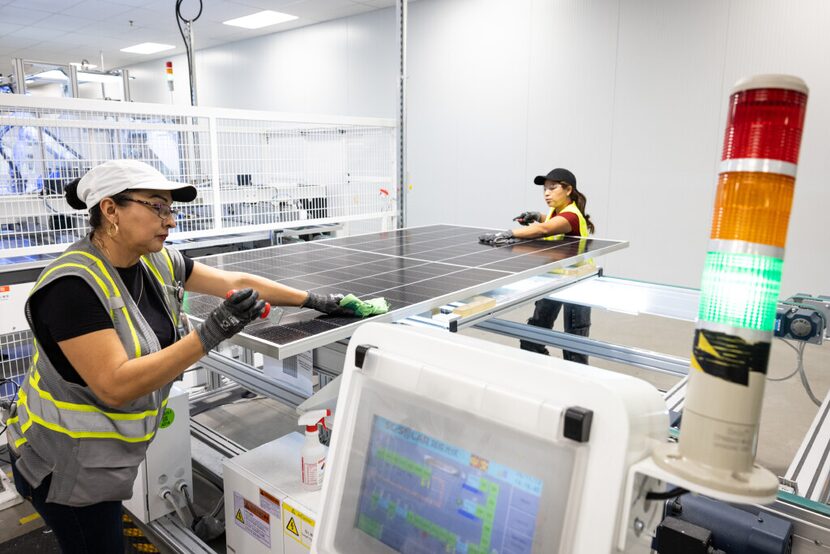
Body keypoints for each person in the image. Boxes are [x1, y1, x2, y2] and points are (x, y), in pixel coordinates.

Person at [4, 160, 356, 553]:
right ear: (110, 210)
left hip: (104, 458)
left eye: (171, 209)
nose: (169, 221)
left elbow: (235, 283)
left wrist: (316, 300)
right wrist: (213, 330)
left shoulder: (155, 260)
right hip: (62, 466)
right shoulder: (73, 286)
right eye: (157, 207)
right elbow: (115, 385)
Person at [479, 168, 595, 363]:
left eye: (552, 188)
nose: (547, 193)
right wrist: (536, 215)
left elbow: (544, 229)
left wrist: (508, 234)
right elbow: (547, 221)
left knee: (574, 345)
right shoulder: (558, 211)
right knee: (533, 336)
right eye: (544, 189)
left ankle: (577, 385)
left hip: (577, 281)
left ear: (568, 190)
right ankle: (546, 370)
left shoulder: (572, 216)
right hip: (556, 278)